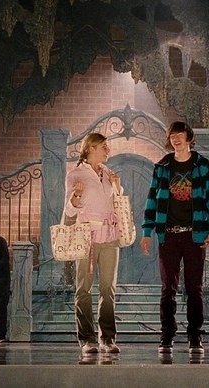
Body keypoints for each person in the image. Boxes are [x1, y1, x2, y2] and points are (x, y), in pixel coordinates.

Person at [140, 121, 209, 355]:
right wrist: (146, 232)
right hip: (168, 236)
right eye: (172, 136)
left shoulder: (203, 166)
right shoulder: (162, 167)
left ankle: (195, 337)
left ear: (189, 138)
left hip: (195, 236)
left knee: (194, 288)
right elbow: (151, 200)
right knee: (168, 288)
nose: (176, 139)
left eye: (179, 135)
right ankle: (167, 335)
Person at [64, 133, 123, 354]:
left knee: (108, 289)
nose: (108, 150)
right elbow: (70, 211)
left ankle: (107, 339)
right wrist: (77, 195)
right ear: (91, 148)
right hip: (86, 236)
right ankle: (87, 339)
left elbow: (117, 203)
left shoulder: (108, 173)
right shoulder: (75, 175)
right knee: (84, 289)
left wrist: (117, 187)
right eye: (104, 147)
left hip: (110, 236)